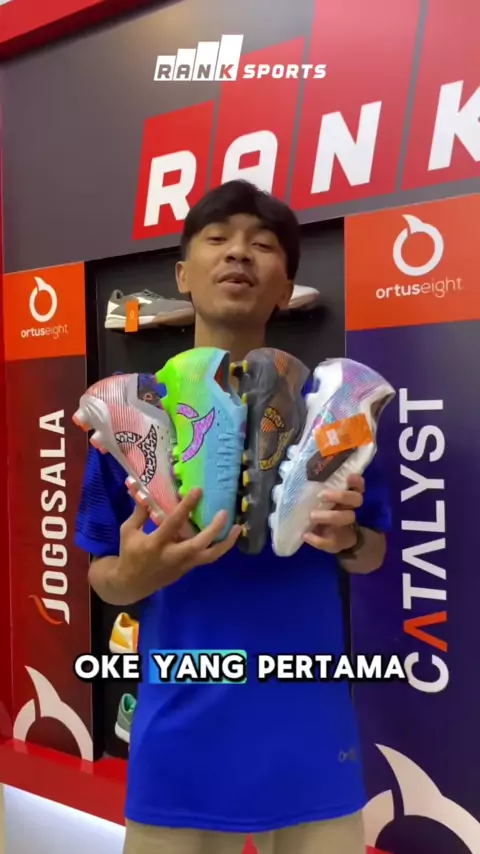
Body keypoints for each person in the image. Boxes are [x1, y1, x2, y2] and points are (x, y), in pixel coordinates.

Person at [75, 180, 391, 854]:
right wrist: (135, 573)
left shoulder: (339, 414)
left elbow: (373, 553)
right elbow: (104, 578)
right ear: (183, 276)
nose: (239, 253)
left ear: (286, 288)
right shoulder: (128, 420)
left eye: (263, 244)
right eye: (218, 239)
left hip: (309, 733)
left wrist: (347, 538)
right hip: (181, 736)